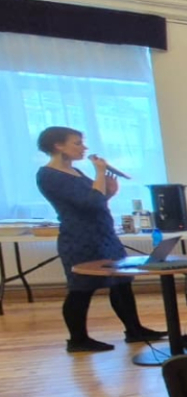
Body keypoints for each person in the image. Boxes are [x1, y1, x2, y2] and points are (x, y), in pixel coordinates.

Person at [34, 126, 165, 353]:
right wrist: (101, 175)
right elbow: (89, 204)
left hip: (103, 234)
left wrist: (109, 194)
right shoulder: (48, 175)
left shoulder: (76, 172)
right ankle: (77, 340)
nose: (83, 148)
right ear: (58, 145)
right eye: (77, 143)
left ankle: (134, 330)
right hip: (80, 238)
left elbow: (95, 202)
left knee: (122, 283)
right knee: (81, 289)